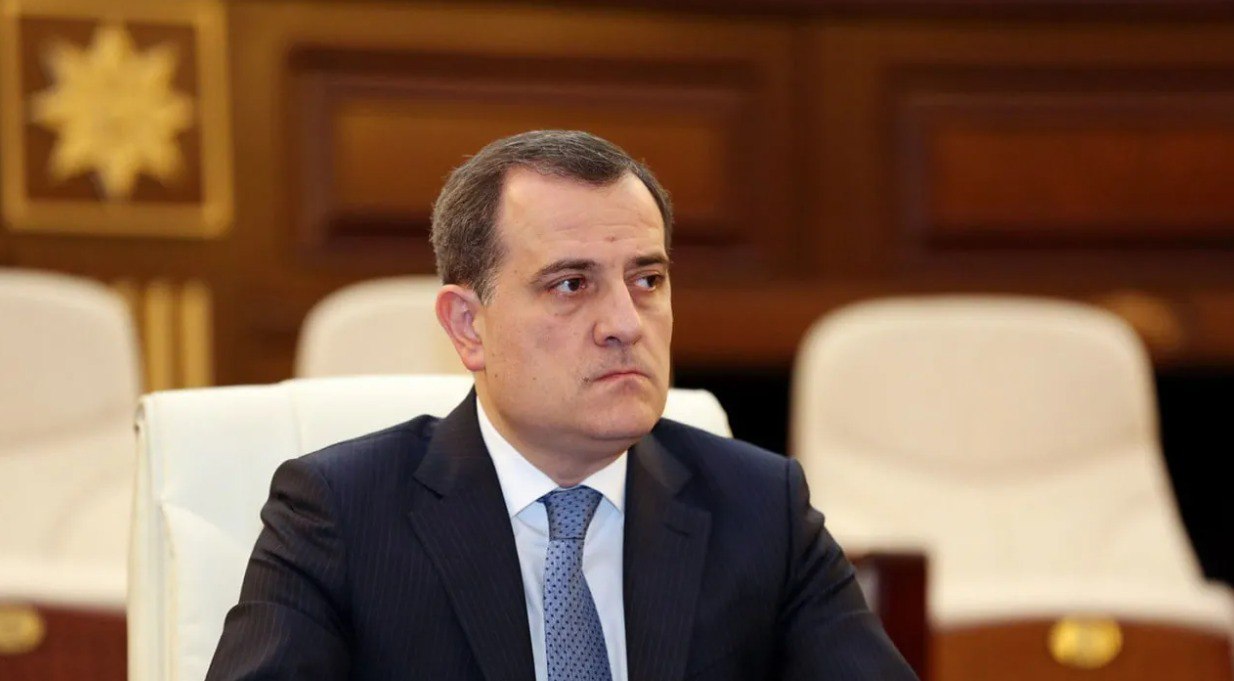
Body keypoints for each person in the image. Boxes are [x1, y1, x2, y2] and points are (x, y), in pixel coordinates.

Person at [206, 130, 917, 680]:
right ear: (468, 326)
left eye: (646, 280)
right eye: (572, 285)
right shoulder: (341, 513)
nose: (625, 323)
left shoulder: (761, 510)